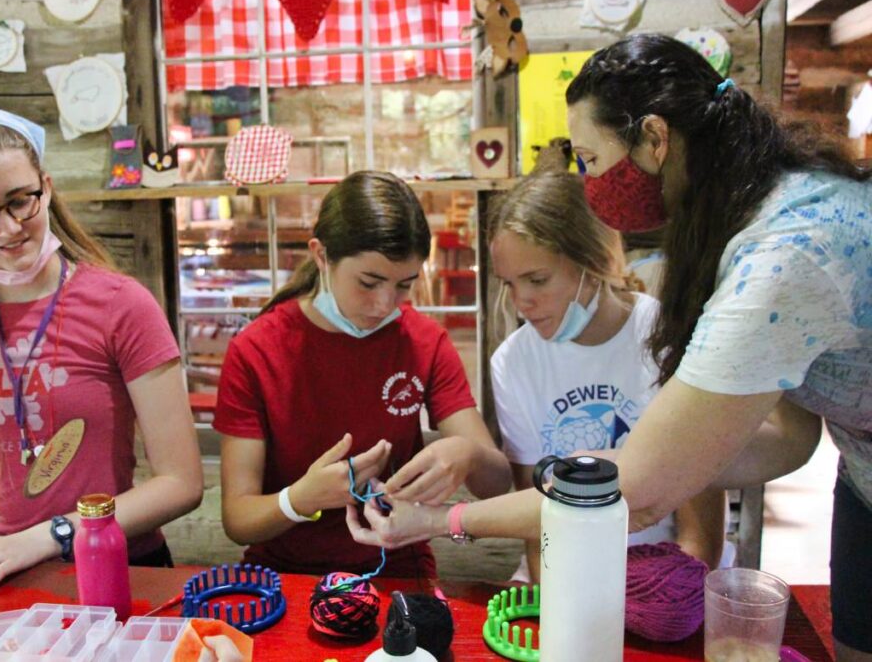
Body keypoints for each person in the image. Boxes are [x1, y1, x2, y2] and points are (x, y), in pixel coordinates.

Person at [347, 34, 870, 661]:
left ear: (655, 138)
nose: (590, 186)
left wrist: (440, 521)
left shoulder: (784, 258)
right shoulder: (768, 215)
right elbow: (789, 436)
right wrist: (625, 461)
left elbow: (647, 487)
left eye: (591, 160)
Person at [0, 110, 204, 598]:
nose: (9, 228)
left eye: (21, 201)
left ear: (46, 186)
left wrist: (45, 539)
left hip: (112, 569)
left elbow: (181, 482)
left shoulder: (120, 305)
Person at [215, 170, 512, 578]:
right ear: (321, 256)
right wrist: (300, 499)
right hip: (285, 574)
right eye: (369, 283)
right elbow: (238, 518)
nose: (384, 304)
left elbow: (495, 482)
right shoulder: (256, 351)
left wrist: (468, 454)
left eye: (404, 286)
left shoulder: (423, 341)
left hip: (396, 567)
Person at [487, 171, 730, 583]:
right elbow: (537, 521)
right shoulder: (512, 363)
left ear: (595, 262)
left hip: (665, 570)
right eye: (509, 284)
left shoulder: (667, 336)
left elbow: (699, 539)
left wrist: (657, 594)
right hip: (564, 567)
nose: (521, 301)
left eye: (537, 280)